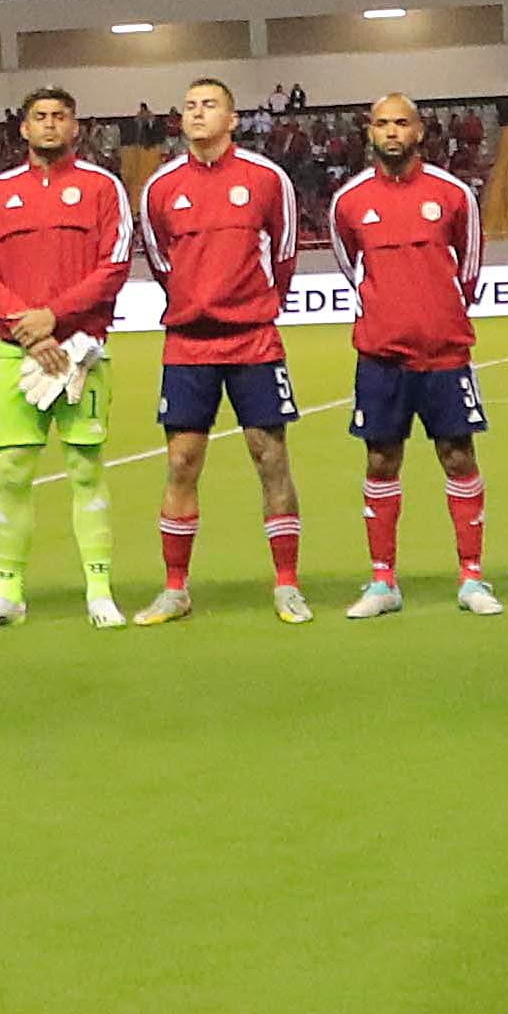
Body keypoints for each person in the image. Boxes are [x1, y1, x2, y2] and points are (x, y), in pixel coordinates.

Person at [138, 76, 306, 625]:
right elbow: (161, 261)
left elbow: (283, 256)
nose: (197, 114)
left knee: (270, 457)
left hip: (253, 340)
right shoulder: (160, 188)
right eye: (189, 107)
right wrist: (196, 302)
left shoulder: (266, 180)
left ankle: (286, 585)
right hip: (188, 345)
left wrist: (250, 304)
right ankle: (174, 588)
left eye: (209, 106)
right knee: (182, 462)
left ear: (232, 119)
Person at [0, 84, 130, 629]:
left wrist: (54, 318)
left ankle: (99, 590)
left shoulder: (103, 188)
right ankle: (9, 592)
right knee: (11, 470)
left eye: (60, 116)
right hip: (18, 353)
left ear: (75, 127)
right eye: (40, 116)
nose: (50, 124)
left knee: (85, 468)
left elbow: (115, 264)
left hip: (82, 353)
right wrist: (29, 329)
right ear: (24, 129)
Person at [329, 91, 499, 618]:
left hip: (445, 354)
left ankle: (472, 577)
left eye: (401, 123)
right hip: (381, 356)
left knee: (459, 456)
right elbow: (349, 265)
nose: (392, 132)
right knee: (381, 459)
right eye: (382, 124)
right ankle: (383, 582)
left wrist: (438, 315)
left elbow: (468, 270)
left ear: (420, 131)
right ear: (369, 132)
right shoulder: (349, 201)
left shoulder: (453, 195)